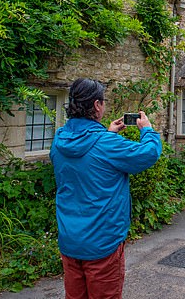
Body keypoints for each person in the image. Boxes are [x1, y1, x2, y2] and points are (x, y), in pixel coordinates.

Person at [50, 77, 162, 299]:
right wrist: (147, 130)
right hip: (102, 243)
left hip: (70, 239)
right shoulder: (106, 145)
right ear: (96, 105)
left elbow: (87, 164)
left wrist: (109, 134)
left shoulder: (60, 139)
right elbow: (149, 154)